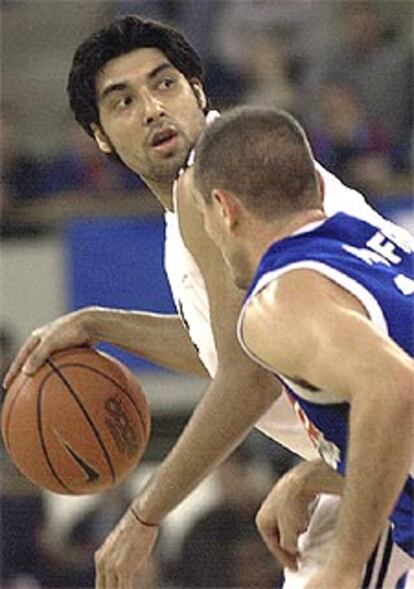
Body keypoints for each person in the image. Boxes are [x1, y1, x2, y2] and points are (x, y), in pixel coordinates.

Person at [2, 15, 409, 589]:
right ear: (98, 136)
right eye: (123, 102)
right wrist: (102, 325)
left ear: (197, 88)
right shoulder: (218, 189)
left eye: (164, 84)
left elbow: (251, 376)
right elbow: (243, 350)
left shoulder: (209, 191)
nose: (151, 109)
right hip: (380, 445)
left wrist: (145, 513)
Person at [191, 106, 414, 588]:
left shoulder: (279, 297)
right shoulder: (381, 247)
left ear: (224, 210)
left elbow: (395, 387)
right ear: (314, 182)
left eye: (203, 214)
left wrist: (345, 565)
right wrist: (314, 474)